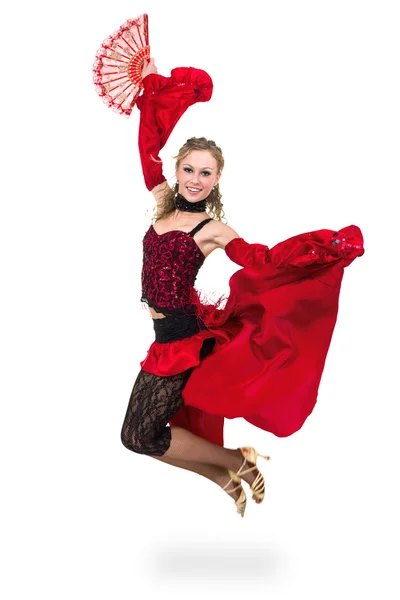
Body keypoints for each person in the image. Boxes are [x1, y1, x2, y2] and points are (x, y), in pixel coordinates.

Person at [119, 59, 364, 518]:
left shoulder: (212, 228)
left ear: (217, 180)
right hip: (163, 338)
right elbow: (147, 147)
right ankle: (226, 476)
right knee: (144, 437)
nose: (195, 179)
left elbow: (262, 260)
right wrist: (156, 88)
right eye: (189, 169)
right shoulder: (161, 204)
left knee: (138, 436)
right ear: (178, 170)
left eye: (205, 173)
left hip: (183, 341)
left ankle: (237, 462)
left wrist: (322, 248)